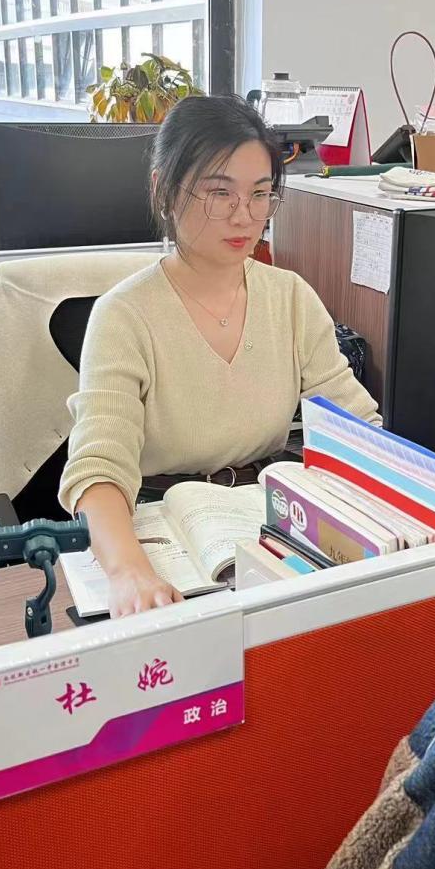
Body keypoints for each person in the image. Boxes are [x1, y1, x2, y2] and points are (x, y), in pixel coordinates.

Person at [59, 95, 380, 618]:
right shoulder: (124, 315)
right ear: (164, 190)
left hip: (266, 517)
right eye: (219, 192)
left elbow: (356, 423)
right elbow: (99, 465)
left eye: (260, 194)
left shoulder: (290, 297)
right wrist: (128, 572)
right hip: (163, 524)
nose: (244, 216)